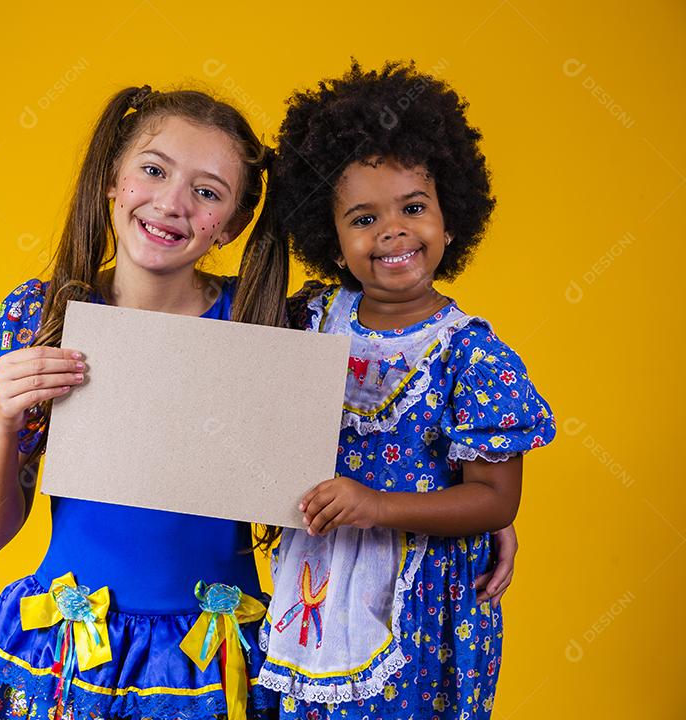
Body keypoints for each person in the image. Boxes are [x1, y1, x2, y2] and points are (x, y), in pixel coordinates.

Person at [0, 84, 288, 720]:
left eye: (207, 191)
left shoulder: (262, 325)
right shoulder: (42, 319)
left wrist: (481, 507)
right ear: (114, 180)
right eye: (154, 170)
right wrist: (2, 417)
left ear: (235, 223)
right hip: (75, 648)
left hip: (212, 657)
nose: (171, 203)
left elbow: (360, 457)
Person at [257, 61, 556, 719]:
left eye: (413, 208)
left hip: (421, 602)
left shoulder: (472, 356)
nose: (392, 230)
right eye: (363, 218)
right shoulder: (309, 321)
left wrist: (378, 507)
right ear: (331, 244)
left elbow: (494, 498)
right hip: (314, 579)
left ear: (451, 222)